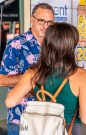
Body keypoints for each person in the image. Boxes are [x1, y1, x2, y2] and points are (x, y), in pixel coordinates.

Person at [5, 22, 86, 135]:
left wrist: (29, 90)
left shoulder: (33, 72)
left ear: (46, 44)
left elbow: (9, 102)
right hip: (68, 129)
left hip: (39, 128)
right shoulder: (81, 75)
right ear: (70, 46)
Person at [0, 3, 54, 135]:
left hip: (50, 114)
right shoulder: (16, 45)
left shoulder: (55, 44)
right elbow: (1, 80)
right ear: (32, 19)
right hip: (21, 116)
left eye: (50, 22)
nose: (46, 26)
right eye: (42, 21)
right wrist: (28, 78)